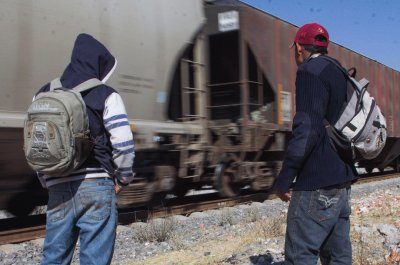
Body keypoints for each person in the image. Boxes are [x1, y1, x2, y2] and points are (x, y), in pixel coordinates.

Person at [38, 33, 135, 265]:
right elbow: (123, 143)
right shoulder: (106, 94)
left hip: (58, 186)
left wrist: (47, 179)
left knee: (53, 258)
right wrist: (122, 178)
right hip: (97, 186)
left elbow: (37, 142)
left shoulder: (44, 93)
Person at [273, 23, 358, 265]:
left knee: (300, 255)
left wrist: (285, 177)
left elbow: (307, 129)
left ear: (299, 47)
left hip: (316, 183)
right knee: (338, 258)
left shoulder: (310, 71)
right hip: (341, 179)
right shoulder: (338, 70)